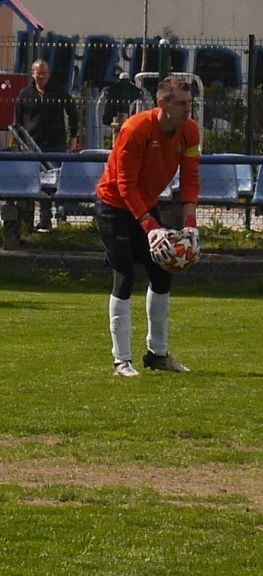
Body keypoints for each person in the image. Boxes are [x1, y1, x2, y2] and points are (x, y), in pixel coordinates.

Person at [95, 76, 200, 377]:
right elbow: (125, 186)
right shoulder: (135, 129)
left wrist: (190, 224)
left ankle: (157, 353)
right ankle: (121, 360)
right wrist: (151, 226)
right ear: (162, 104)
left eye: (189, 103)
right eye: (181, 104)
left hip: (145, 203)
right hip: (115, 206)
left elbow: (190, 178)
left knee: (161, 272)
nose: (187, 110)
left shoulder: (189, 132)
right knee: (125, 274)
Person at [14, 59, 80, 230]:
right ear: (33, 73)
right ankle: (26, 223)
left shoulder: (58, 92)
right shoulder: (25, 94)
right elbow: (18, 122)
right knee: (30, 183)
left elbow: (73, 113)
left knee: (50, 183)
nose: (41, 76)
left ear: (48, 74)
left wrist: (73, 137)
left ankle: (46, 220)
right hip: (33, 143)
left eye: (44, 73)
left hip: (55, 143)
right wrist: (22, 143)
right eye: (38, 72)